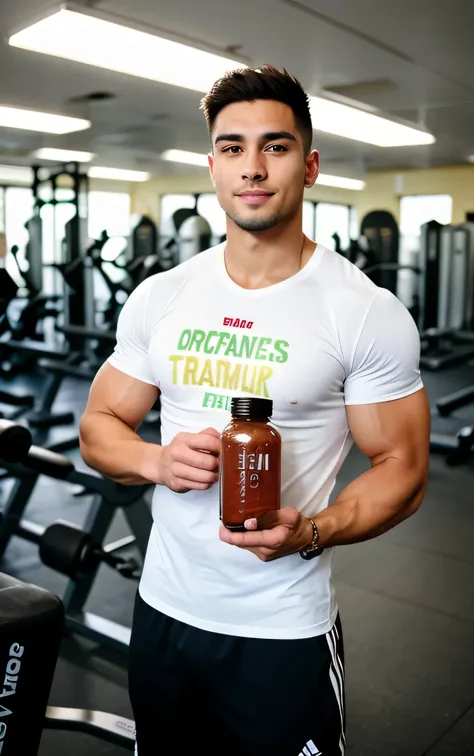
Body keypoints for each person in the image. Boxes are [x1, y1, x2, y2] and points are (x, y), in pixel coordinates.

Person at [79, 64, 430, 756]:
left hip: (281, 628)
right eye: (233, 148)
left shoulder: (363, 311)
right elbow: (98, 428)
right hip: (164, 615)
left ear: (311, 164)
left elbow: (405, 469)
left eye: (276, 145)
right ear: (212, 166)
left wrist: (314, 530)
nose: (254, 167)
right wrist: (155, 458)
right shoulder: (162, 296)